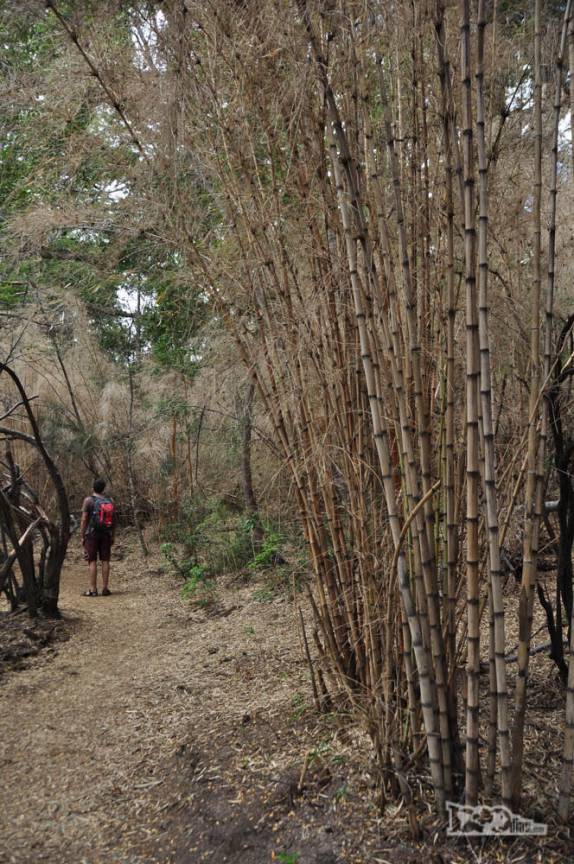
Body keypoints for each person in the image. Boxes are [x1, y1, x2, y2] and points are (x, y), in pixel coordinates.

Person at [80, 479, 116, 597]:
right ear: (104, 488)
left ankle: (93, 589)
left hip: (92, 534)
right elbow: (114, 520)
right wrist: (113, 535)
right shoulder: (110, 500)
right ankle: (105, 588)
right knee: (105, 561)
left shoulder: (88, 500)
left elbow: (84, 519)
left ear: (92, 488)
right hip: (106, 533)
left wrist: (82, 535)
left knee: (92, 561)